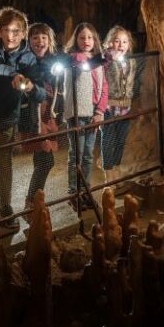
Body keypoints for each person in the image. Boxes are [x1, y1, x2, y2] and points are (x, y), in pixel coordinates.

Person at [0, 7, 45, 234]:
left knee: (5, 166)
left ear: (23, 33)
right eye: (6, 30)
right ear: (0, 31)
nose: (11, 35)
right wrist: (11, 73)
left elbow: (41, 93)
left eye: (16, 31)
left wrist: (30, 87)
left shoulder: (28, 58)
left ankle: (5, 209)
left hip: (7, 118)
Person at [19, 23, 64, 219]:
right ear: (28, 41)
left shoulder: (52, 61)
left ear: (49, 40)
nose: (40, 41)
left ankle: (34, 202)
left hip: (49, 114)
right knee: (46, 160)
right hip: (34, 115)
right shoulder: (25, 63)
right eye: (35, 37)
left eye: (44, 37)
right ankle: (31, 203)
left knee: (41, 160)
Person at [63, 22, 108, 210]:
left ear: (95, 39)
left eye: (89, 37)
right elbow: (80, 60)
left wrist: (100, 111)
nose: (86, 41)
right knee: (77, 155)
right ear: (76, 40)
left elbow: (103, 87)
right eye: (82, 37)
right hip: (77, 114)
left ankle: (85, 191)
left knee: (88, 155)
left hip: (93, 114)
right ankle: (74, 192)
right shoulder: (72, 58)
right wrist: (99, 58)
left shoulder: (98, 61)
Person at [100, 25, 138, 183]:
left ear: (129, 44)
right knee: (108, 140)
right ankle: (108, 174)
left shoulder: (132, 61)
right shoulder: (105, 60)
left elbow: (133, 83)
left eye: (124, 41)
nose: (121, 45)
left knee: (120, 140)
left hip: (125, 108)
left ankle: (116, 168)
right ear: (110, 42)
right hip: (109, 108)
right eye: (117, 41)